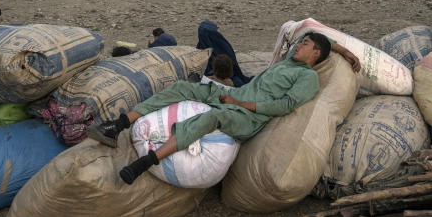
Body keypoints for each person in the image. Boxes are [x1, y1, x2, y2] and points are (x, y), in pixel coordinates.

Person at [90, 32, 360, 184]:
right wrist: (345, 50)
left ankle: (146, 161)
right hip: (235, 94)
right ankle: (119, 125)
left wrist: (240, 103)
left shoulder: (307, 77)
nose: (299, 45)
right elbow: (311, 29)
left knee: (215, 116)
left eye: (306, 45)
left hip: (251, 117)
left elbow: (284, 106)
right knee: (183, 87)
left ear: (316, 55)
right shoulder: (290, 61)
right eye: (301, 42)